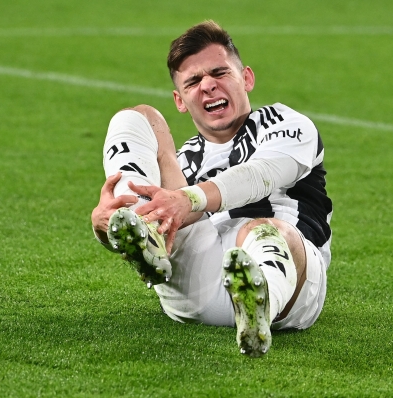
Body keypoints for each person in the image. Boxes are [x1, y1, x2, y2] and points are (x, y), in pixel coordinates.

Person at [91, 20, 333, 357]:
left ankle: (257, 309)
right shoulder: (179, 161)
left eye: (219, 73)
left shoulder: (284, 124)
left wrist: (188, 198)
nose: (208, 86)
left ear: (246, 78)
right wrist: (104, 227)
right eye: (193, 81)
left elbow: (261, 174)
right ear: (180, 100)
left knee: (264, 230)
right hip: (197, 281)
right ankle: (136, 225)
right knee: (138, 116)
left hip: (288, 283)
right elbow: (173, 207)